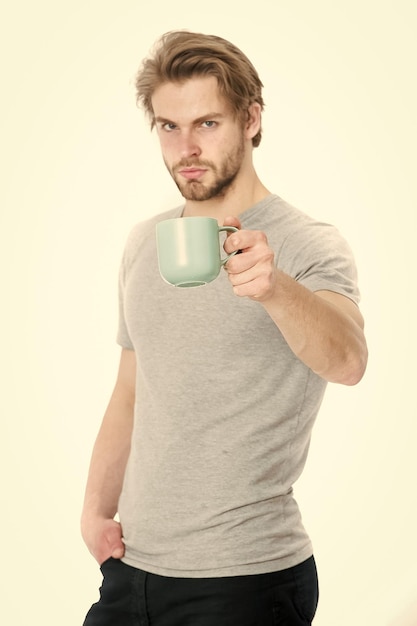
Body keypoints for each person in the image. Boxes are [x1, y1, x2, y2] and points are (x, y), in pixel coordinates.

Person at [81, 30, 368, 626]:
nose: (186, 147)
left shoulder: (307, 243)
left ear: (251, 119)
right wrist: (94, 510)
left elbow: (349, 361)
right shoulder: (145, 243)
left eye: (207, 124)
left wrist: (275, 288)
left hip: (246, 579)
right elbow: (131, 392)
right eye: (168, 126)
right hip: (132, 569)